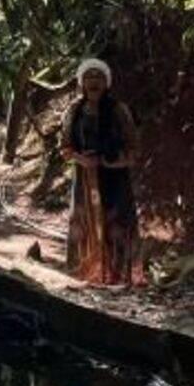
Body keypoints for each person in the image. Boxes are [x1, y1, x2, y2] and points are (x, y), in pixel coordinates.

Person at [60, 58, 142, 286]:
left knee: (115, 226)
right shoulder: (74, 110)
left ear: (107, 83)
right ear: (81, 82)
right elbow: (65, 147)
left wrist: (110, 162)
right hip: (84, 180)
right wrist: (81, 160)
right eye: (88, 76)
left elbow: (134, 148)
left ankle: (116, 278)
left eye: (98, 76)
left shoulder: (119, 110)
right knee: (84, 225)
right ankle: (85, 273)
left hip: (114, 179)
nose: (93, 81)